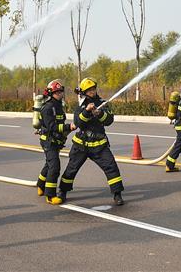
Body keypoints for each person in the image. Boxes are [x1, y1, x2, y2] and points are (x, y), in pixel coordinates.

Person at [53, 78, 124, 206]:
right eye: (89, 90)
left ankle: (117, 194)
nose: (92, 91)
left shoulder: (102, 103)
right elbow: (78, 122)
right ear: (84, 92)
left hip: (99, 144)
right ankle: (62, 191)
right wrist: (86, 111)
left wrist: (99, 113)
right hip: (81, 144)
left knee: (111, 167)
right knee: (71, 169)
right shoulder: (81, 105)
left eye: (93, 89)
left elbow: (109, 120)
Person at [36, 80, 75, 201]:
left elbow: (59, 123)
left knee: (49, 164)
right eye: (56, 92)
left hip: (55, 141)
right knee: (54, 167)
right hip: (48, 141)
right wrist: (68, 127)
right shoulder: (48, 108)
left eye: (60, 91)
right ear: (51, 93)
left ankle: (40, 185)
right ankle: (50, 195)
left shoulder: (58, 106)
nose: (59, 94)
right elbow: (52, 126)